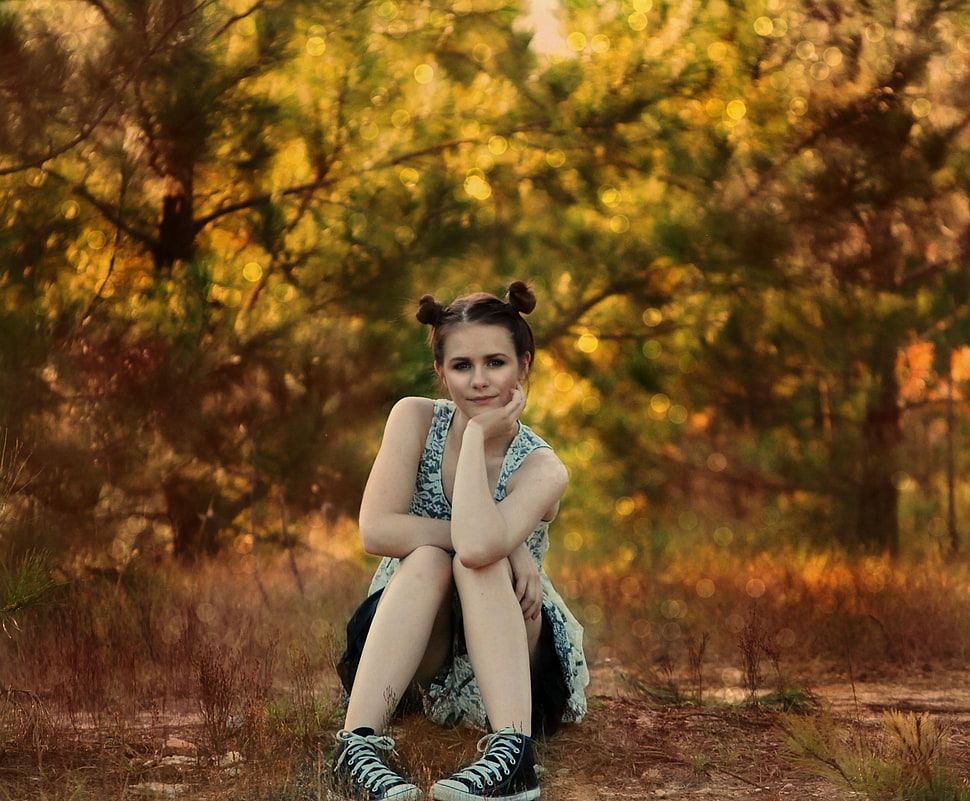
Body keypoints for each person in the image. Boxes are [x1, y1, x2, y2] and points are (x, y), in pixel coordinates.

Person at [332, 281, 589, 801]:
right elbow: (376, 530)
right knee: (428, 559)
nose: (479, 382)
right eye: (461, 366)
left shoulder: (542, 467)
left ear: (524, 365)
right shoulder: (414, 417)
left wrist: (475, 439)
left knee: (479, 564)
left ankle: (513, 756)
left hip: (507, 647)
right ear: (440, 372)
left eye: (495, 362)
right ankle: (357, 748)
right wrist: (506, 541)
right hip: (412, 634)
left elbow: (475, 552)